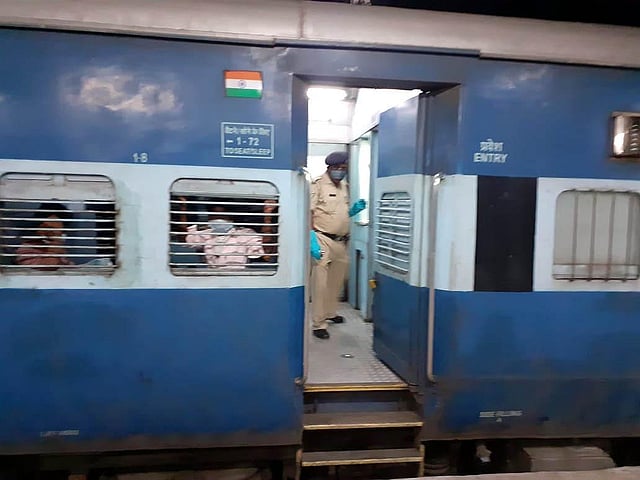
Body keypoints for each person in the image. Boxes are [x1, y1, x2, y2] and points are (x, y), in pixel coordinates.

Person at [309, 151, 366, 339]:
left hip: (340, 241)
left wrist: (353, 211)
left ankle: (330, 313)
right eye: (337, 168)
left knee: (336, 280)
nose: (340, 171)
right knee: (321, 283)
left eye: (343, 168)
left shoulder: (344, 186)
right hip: (321, 238)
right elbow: (309, 212)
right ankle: (319, 324)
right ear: (330, 168)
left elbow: (338, 213)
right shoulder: (317, 185)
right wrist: (310, 237)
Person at [184, 204, 265, 270]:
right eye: (214, 216)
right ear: (209, 218)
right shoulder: (205, 233)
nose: (218, 220)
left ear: (231, 217)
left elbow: (256, 253)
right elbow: (190, 242)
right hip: (212, 277)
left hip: (238, 277)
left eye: (222, 216)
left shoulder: (246, 233)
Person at [16, 202, 73, 269]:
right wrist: (53, 252)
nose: (49, 233)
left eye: (54, 229)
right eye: (47, 228)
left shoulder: (59, 249)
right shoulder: (26, 250)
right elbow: (48, 267)